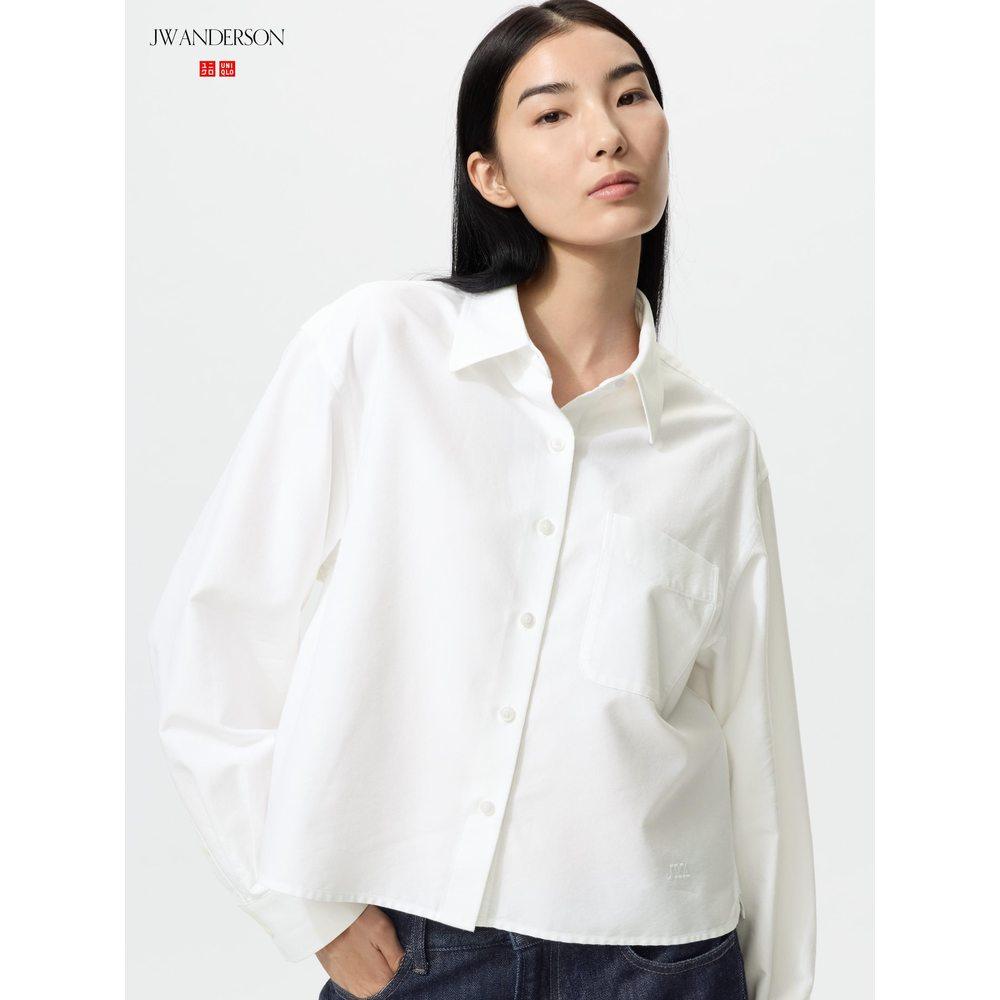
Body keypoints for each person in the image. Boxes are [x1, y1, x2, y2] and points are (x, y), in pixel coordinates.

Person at [147, 2, 817, 998]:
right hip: (422, 952)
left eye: (631, 96)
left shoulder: (714, 445)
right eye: (552, 113)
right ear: (490, 176)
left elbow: (756, 749)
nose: (607, 134)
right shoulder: (378, 349)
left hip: (665, 960)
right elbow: (213, 636)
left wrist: (777, 981)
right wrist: (308, 910)